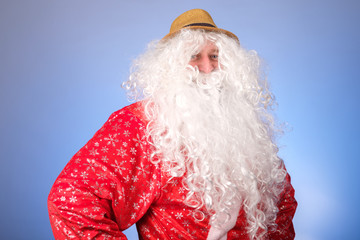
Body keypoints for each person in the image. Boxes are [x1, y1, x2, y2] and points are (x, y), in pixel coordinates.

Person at [48, 9, 297, 240]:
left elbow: (282, 202)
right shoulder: (139, 124)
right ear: (171, 67)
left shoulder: (244, 123)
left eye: (215, 56)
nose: (207, 68)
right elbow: (70, 201)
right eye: (194, 57)